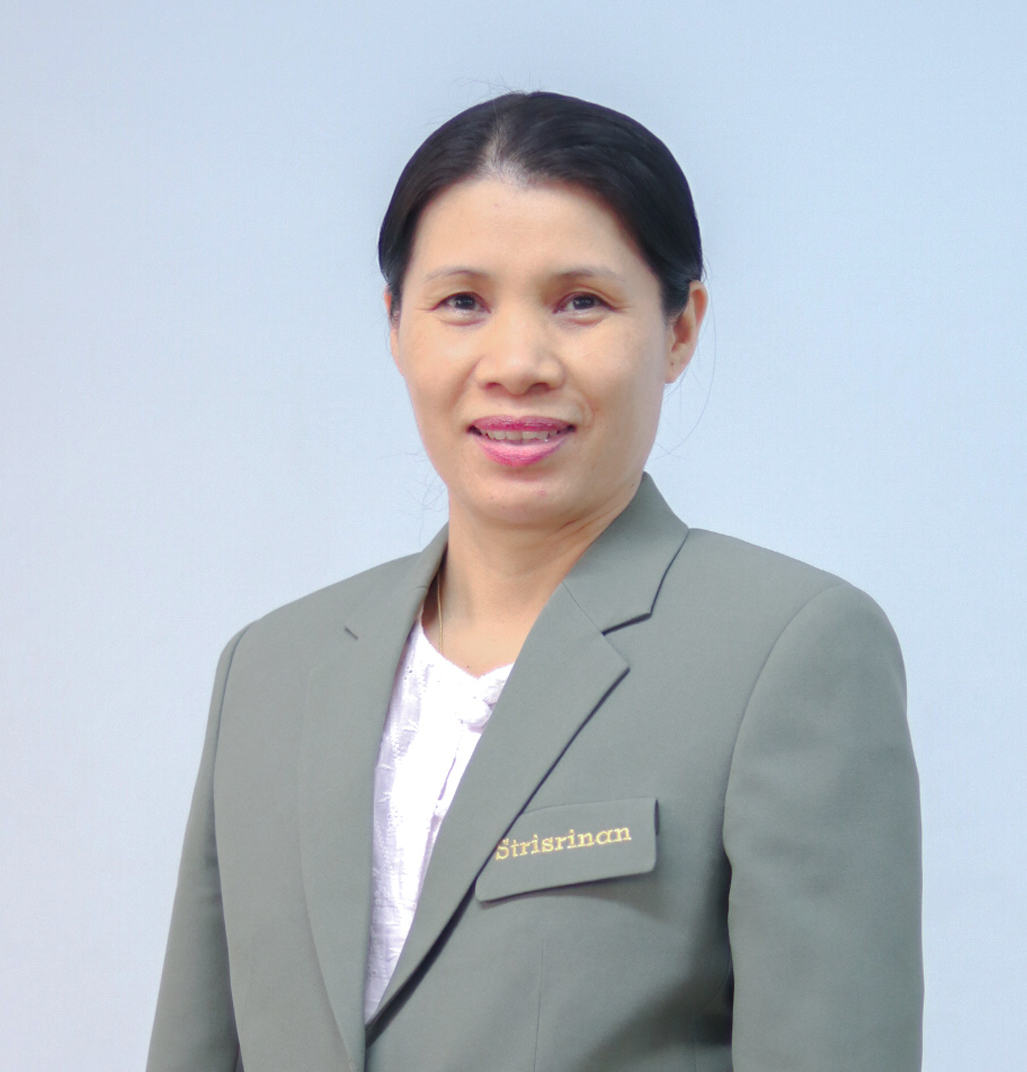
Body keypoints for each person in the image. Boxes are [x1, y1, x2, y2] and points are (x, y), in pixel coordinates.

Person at [147, 91, 922, 1072]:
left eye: (580, 301)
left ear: (679, 328)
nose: (516, 364)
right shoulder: (269, 670)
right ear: (395, 324)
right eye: (462, 303)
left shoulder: (788, 654)